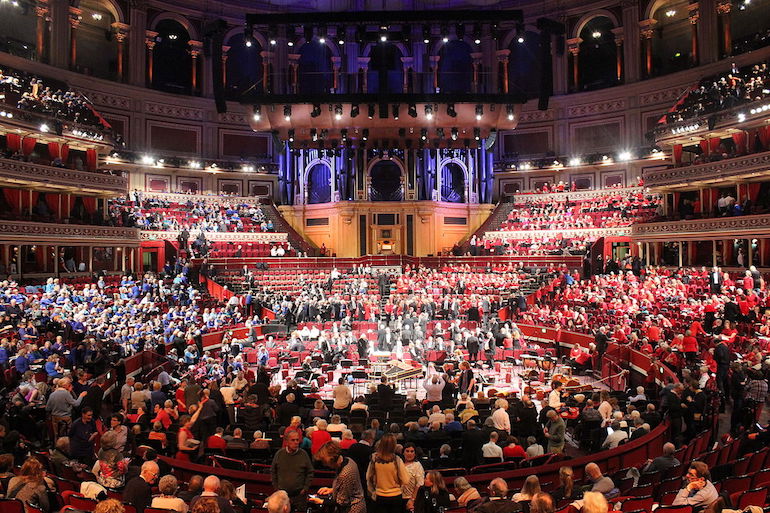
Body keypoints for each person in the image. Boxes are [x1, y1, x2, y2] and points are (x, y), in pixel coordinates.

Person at [313, 440, 366, 513]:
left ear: (331, 460)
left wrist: (321, 501)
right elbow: (348, 488)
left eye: (324, 462)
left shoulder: (345, 474)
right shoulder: (349, 460)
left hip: (353, 509)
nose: (324, 465)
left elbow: (342, 502)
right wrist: (332, 490)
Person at [270, 430, 313, 512]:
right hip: (282, 496)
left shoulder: (304, 454)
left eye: (297, 440)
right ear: (286, 442)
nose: (296, 442)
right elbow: (273, 471)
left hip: (299, 496)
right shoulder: (279, 454)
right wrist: (276, 488)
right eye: (293, 440)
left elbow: (310, 472)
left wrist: (305, 488)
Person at [366, 433, 410, 513]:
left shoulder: (374, 459)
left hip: (380, 496)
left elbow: (368, 477)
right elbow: (406, 480)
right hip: (395, 496)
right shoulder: (397, 460)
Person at [401, 443, 425, 510]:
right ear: (403, 452)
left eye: (412, 451)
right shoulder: (399, 464)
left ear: (415, 453)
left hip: (411, 499)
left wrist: (412, 499)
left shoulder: (417, 465)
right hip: (398, 498)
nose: (409, 453)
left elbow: (419, 484)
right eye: (407, 451)